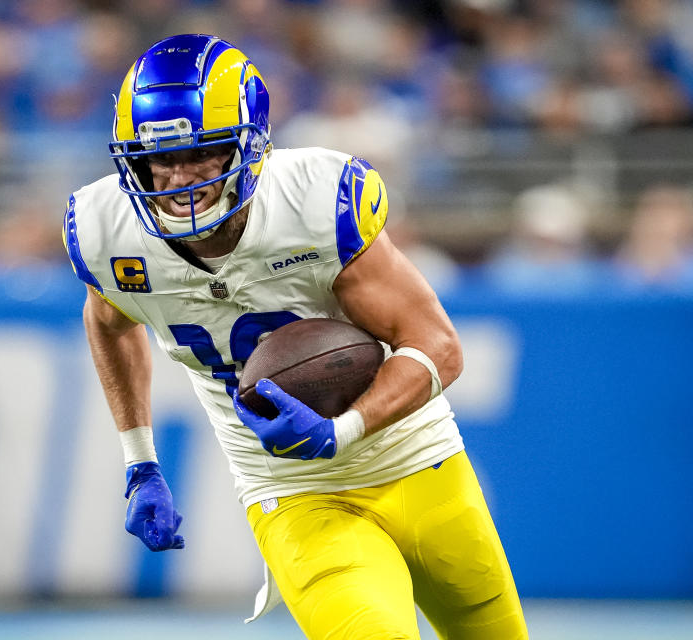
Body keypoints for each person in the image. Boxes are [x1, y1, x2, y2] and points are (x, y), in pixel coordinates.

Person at [63, 34, 528, 640]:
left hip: (416, 459)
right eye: (160, 159)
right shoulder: (109, 231)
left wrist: (344, 429)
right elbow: (108, 321)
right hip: (292, 490)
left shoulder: (315, 200)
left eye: (201, 153)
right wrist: (140, 461)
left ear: (248, 146)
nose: (177, 179)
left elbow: (438, 345)